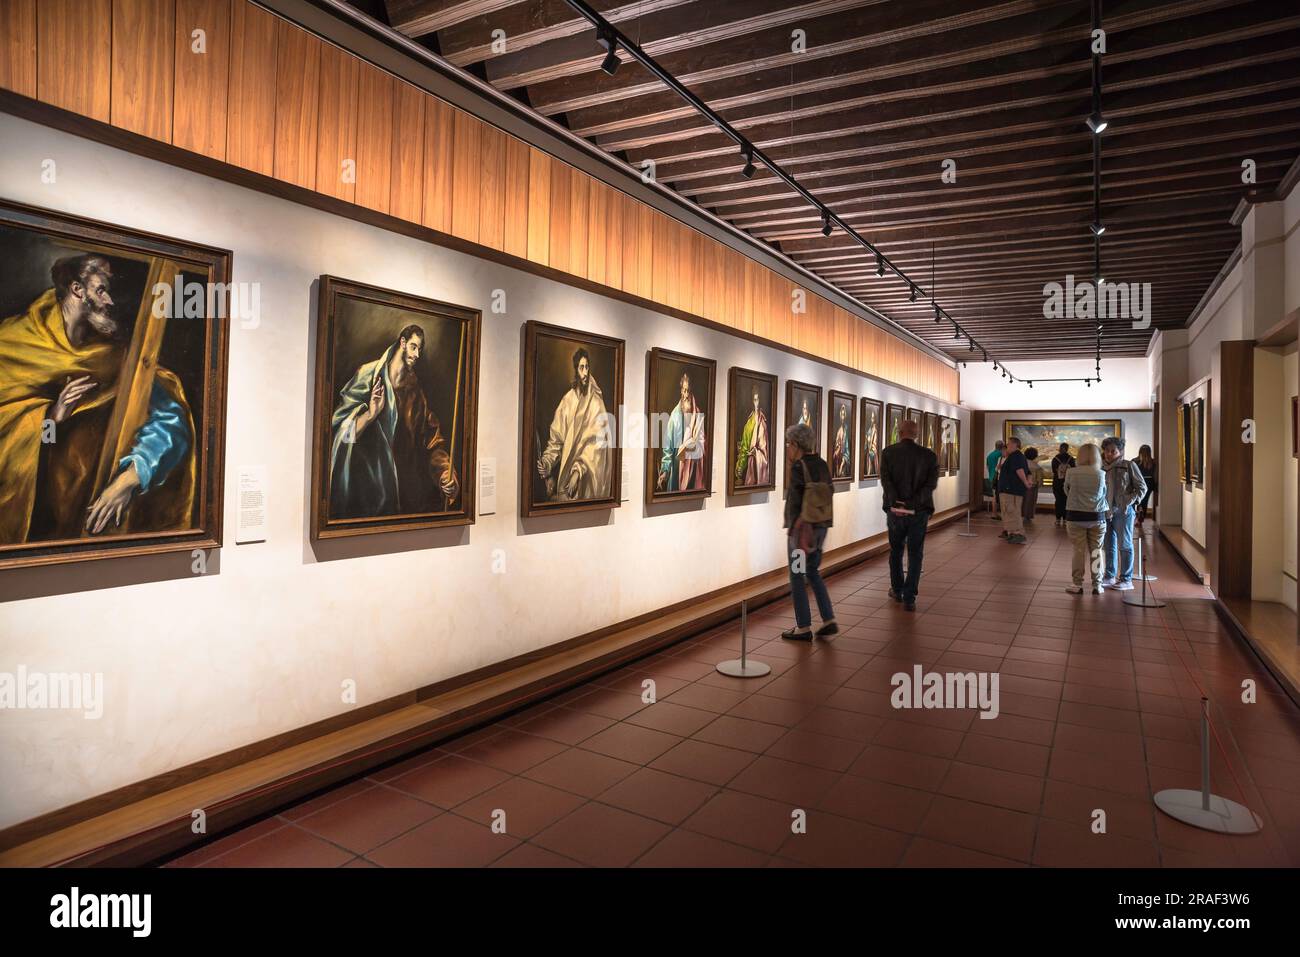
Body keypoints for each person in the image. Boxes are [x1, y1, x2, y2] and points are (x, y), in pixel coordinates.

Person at [0, 254, 194, 544]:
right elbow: (33, 440)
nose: (110, 302)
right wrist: (51, 419)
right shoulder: (13, 344)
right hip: (29, 513)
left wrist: (132, 476)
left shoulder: (113, 357)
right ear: (77, 289)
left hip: (87, 509)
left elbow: (170, 419)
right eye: (101, 290)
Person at [331, 323, 460, 517]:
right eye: (414, 346)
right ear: (402, 342)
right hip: (364, 495)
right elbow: (343, 435)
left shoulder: (416, 395)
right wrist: (371, 414)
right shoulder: (368, 376)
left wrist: (445, 474)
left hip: (401, 499)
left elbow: (433, 443)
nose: (417, 354)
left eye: (420, 349)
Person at [536, 347, 611, 502]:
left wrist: (578, 471)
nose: (585, 373)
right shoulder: (567, 401)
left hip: (588, 481)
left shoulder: (596, 404)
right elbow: (556, 440)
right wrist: (547, 462)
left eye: (587, 367)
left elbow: (597, 446)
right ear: (576, 370)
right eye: (581, 367)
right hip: (566, 482)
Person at [782, 423, 836, 639]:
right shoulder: (822, 464)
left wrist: (792, 528)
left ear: (795, 444)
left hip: (801, 533)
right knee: (813, 571)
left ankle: (803, 627)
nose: (787, 448)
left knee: (796, 575)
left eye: (788, 444)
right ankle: (828, 618)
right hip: (821, 527)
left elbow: (795, 500)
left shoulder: (798, 467)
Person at [880, 418, 940, 611]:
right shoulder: (929, 456)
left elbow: (886, 482)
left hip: (896, 512)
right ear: (916, 434)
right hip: (919, 511)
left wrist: (898, 503)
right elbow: (930, 485)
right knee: (915, 553)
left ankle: (897, 589)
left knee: (896, 551)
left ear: (900, 432)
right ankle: (909, 596)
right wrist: (913, 503)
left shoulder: (888, 453)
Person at [1100, 436, 1147, 591]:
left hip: (1123, 512)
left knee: (1125, 545)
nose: (1109, 453)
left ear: (1120, 451)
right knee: (1108, 545)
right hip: (1105, 512)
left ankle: (1126, 579)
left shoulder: (1129, 465)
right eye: (1107, 450)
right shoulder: (1100, 468)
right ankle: (1109, 575)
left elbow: (1142, 488)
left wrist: (1127, 501)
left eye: (1113, 450)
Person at [1062, 443, 1109, 594]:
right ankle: (1098, 585)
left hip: (1075, 515)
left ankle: (1077, 584)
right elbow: (1103, 494)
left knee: (1078, 551)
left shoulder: (1071, 472)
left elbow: (1066, 490)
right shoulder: (1101, 473)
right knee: (1097, 551)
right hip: (1097, 516)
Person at [656, 371, 707, 493]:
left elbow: (703, 442)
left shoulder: (697, 413)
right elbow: (667, 447)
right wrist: (664, 470)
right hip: (677, 468)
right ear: (681, 391)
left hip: (693, 469)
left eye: (688, 391)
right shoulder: (674, 416)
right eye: (684, 390)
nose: (686, 395)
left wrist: (694, 446)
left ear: (691, 391)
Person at [998, 436, 1033, 544]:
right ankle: (1012, 533)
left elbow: (1019, 470)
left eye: (1008, 444)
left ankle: (1019, 534)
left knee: (1012, 511)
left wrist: (1026, 482)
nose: (1007, 446)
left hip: (1011, 490)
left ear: (1014, 444)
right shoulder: (1017, 456)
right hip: (1010, 490)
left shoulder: (1016, 456)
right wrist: (1028, 481)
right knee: (1010, 512)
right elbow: (1028, 472)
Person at [734, 385, 770, 486]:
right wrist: (740, 464)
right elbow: (744, 446)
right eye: (754, 400)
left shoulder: (762, 422)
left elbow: (764, 450)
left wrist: (756, 452)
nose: (756, 403)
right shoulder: (749, 421)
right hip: (745, 463)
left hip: (754, 465)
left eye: (758, 399)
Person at [1050, 443, 1075, 527]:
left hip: (1057, 482)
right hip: (1068, 483)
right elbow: (1073, 470)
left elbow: (1054, 471)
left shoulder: (1055, 459)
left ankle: (1057, 519)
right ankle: (1065, 519)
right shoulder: (1071, 459)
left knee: (1058, 500)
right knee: (1066, 501)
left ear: (1060, 448)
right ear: (1067, 449)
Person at [1135, 444, 1157, 525]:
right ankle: (1140, 520)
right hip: (1149, 482)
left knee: (1138, 499)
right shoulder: (1153, 462)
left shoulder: (1135, 461)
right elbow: (1155, 474)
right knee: (1145, 500)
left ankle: (1139, 510)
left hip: (1139, 481)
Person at [1021, 447, 1043, 523]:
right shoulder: (1037, 467)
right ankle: (1027, 517)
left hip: (1021, 485)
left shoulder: (1022, 464)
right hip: (1032, 487)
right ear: (1035, 456)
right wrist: (1038, 485)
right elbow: (1039, 480)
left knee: (1022, 501)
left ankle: (1020, 515)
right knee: (1030, 502)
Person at [985, 439, 1005, 516]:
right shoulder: (1002, 455)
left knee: (994, 496)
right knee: (1002, 496)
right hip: (1000, 477)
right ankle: (999, 513)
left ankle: (994, 513)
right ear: (1003, 446)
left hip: (991, 477)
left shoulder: (989, 455)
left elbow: (987, 466)